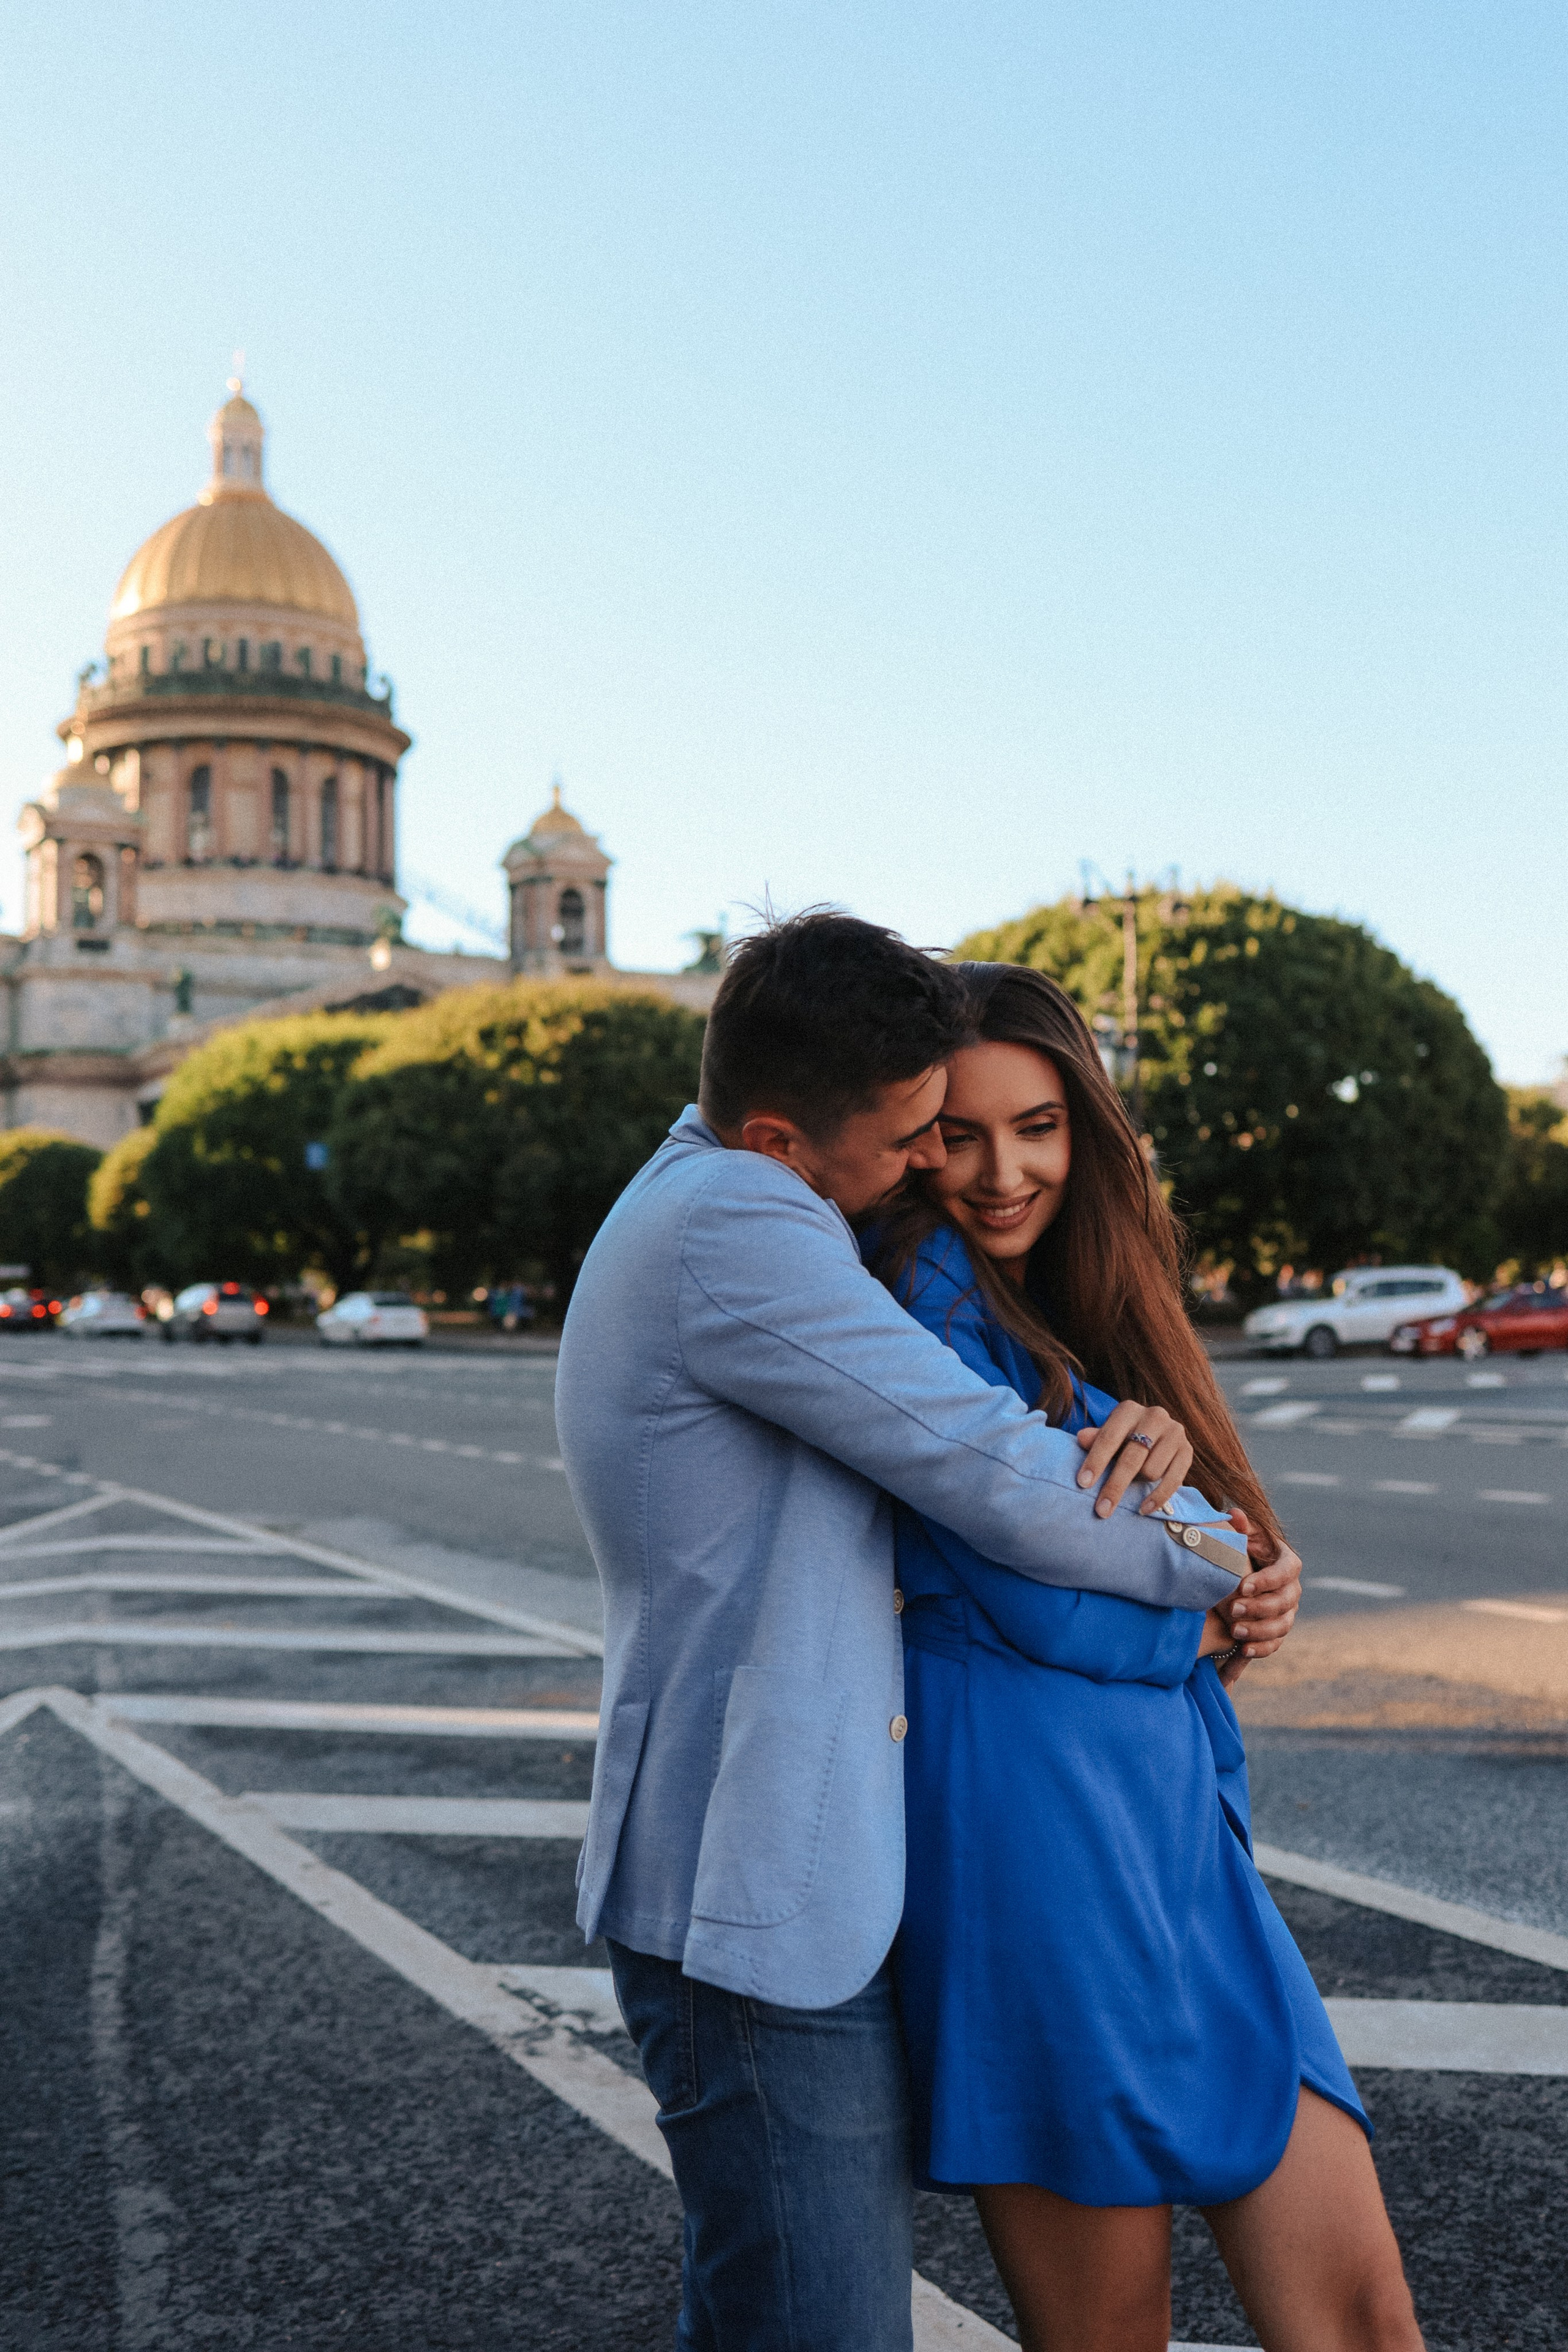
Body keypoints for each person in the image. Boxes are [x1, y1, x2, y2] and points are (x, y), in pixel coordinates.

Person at [554, 913, 1303, 2352]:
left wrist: (1200, 1498)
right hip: (753, 1893)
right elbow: (998, 1476)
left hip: (762, 1868)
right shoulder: (741, 1222)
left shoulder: (704, 1188)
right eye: (912, 1137)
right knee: (818, 2327)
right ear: (779, 1141)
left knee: (769, 2315)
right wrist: (1222, 1550)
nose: (929, 1171)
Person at [870, 962, 1421, 2352]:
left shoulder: (1080, 1301)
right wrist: (1214, 1583)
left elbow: (1172, 1557)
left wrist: (1245, 1563)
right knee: (1114, 2336)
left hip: (1171, 1836)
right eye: (959, 1134)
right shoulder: (913, 1303)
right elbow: (1042, 1597)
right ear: (909, 1138)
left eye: (1039, 1127)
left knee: (1364, 2315)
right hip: (1032, 1845)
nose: (1002, 1173)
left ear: (1090, 1129)